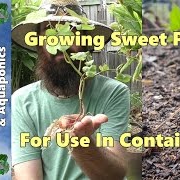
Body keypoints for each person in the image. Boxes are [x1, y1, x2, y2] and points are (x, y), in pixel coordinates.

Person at [11, 0, 130, 179]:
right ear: (37, 44)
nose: (61, 44)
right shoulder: (22, 101)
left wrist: (83, 146)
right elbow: (29, 176)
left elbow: (116, 174)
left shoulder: (114, 92)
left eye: (70, 31)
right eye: (50, 32)